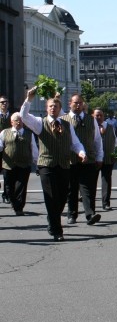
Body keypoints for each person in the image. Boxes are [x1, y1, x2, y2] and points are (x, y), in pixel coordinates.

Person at [20, 89, 86, 241]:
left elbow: (75, 143)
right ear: (46, 108)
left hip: (63, 165)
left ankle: (52, 220)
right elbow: (24, 116)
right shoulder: (39, 123)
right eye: (50, 106)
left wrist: (81, 152)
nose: (53, 108)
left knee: (62, 197)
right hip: (47, 165)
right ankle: (57, 230)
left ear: (59, 109)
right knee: (51, 197)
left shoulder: (67, 125)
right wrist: (29, 99)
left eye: (55, 106)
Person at [62, 94, 103, 226]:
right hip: (70, 160)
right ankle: (72, 214)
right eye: (75, 103)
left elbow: (97, 140)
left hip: (89, 160)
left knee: (88, 188)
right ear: (70, 104)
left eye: (80, 103)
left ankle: (90, 214)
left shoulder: (91, 120)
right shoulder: (63, 120)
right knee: (71, 189)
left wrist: (99, 156)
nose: (78, 105)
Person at [0, 112, 38, 215]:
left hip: (24, 164)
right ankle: (13, 202)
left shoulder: (29, 134)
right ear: (11, 122)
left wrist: (37, 163)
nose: (19, 122)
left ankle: (19, 208)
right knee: (8, 187)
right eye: (16, 120)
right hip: (8, 165)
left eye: (21, 120)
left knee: (21, 186)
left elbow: (33, 149)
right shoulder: (4, 133)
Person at [93, 108, 117, 211]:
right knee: (92, 182)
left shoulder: (110, 127)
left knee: (106, 180)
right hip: (94, 159)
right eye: (96, 115)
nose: (99, 117)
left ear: (104, 116)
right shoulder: (90, 127)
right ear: (93, 116)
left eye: (101, 115)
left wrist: (116, 153)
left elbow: (115, 140)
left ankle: (106, 203)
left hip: (108, 157)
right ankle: (91, 204)